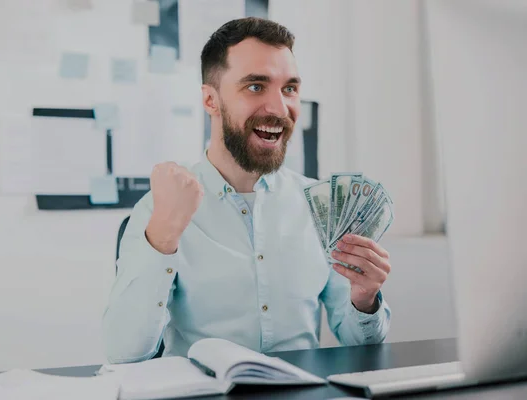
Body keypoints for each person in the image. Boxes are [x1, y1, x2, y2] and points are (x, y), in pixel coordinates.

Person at [103, 17, 391, 363]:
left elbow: (360, 343)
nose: (279, 108)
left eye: (289, 89)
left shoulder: (322, 206)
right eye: (256, 86)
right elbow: (123, 354)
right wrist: (163, 236)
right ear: (211, 101)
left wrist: (364, 297)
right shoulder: (159, 209)